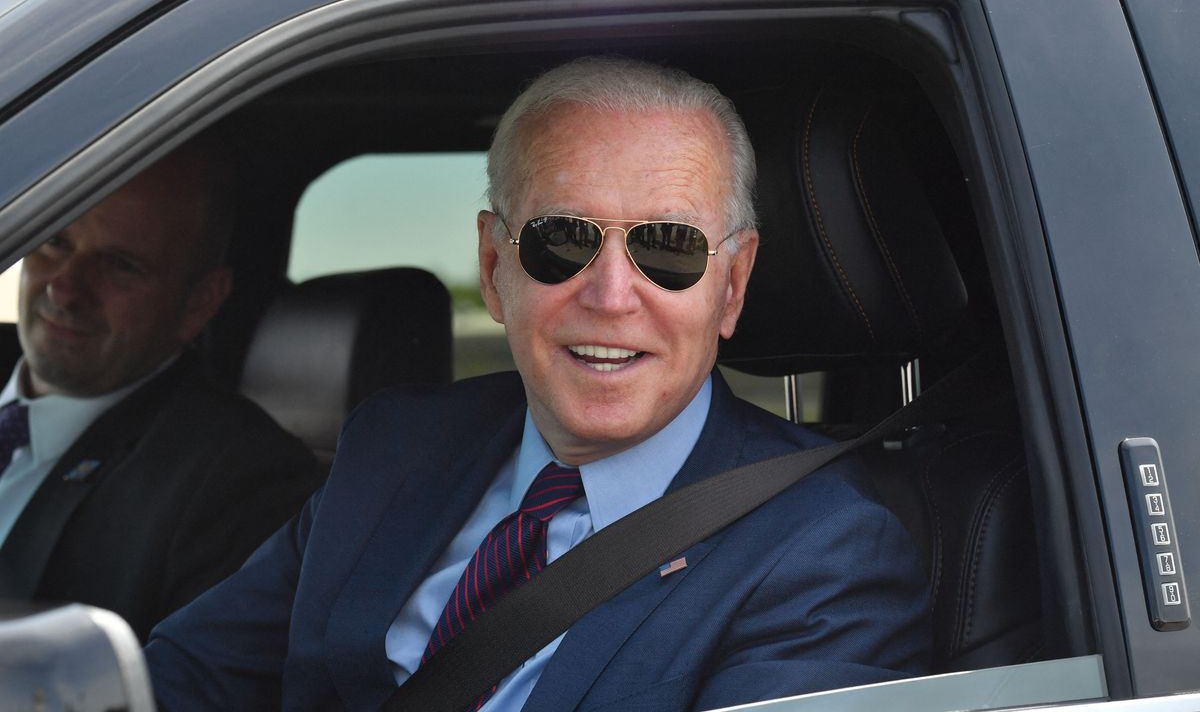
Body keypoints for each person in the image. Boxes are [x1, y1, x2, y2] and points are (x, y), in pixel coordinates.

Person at [145, 56, 929, 710]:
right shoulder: (393, 448)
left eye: (670, 247)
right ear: (493, 268)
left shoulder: (826, 548)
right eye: (563, 239)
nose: (612, 294)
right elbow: (183, 680)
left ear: (731, 286)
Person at [0, 139, 322, 641]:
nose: (65, 289)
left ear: (198, 302)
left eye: (119, 265)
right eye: (55, 242)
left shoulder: (238, 479)